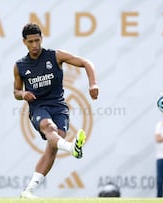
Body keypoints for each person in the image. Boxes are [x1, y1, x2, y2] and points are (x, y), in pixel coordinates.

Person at [13, 23, 99, 198]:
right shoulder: (20, 66)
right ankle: (72, 148)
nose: (35, 45)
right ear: (24, 42)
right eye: (31, 42)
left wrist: (93, 83)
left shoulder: (55, 56)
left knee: (52, 147)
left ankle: (28, 191)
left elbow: (85, 62)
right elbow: (15, 91)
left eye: (37, 40)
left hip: (59, 107)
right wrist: (23, 94)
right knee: (48, 127)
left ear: (42, 39)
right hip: (38, 106)